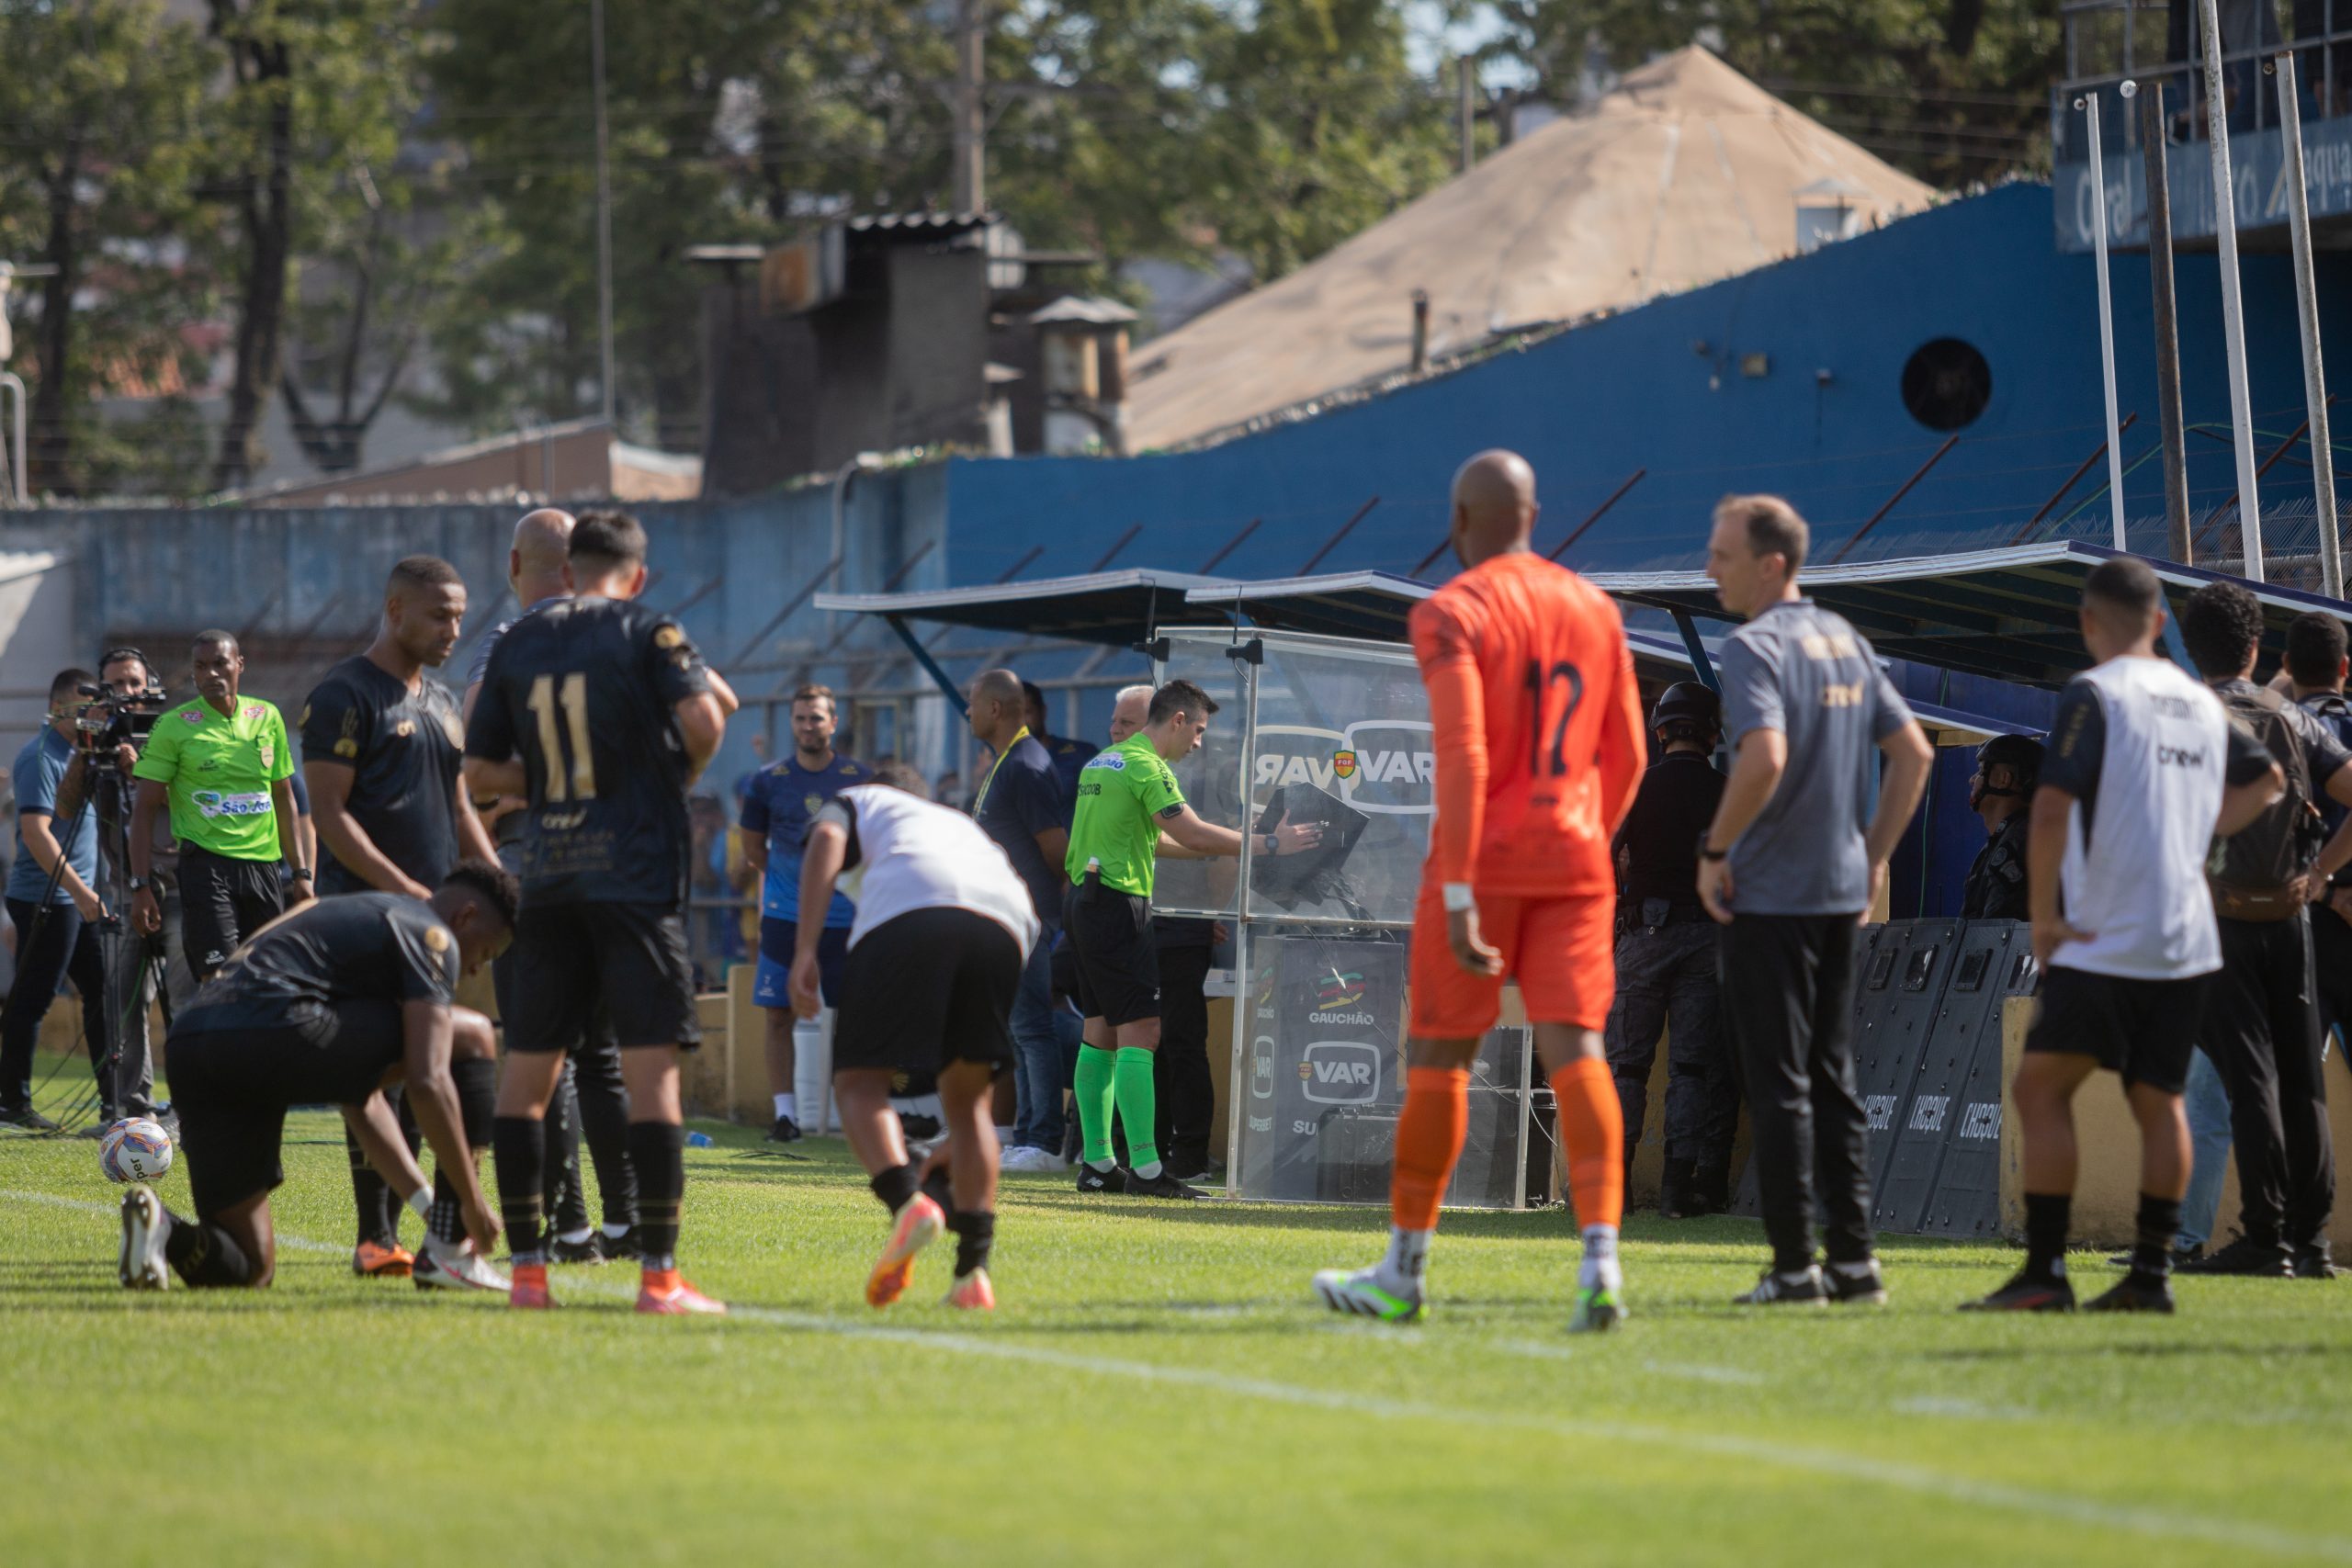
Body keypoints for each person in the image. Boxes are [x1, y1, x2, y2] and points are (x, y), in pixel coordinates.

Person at [1312, 449, 1645, 1331]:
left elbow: (1463, 754)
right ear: (1536, 515)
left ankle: (1404, 1272)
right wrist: (1583, 837)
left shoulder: (1452, 608)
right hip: (1577, 858)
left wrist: (1460, 894)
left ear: (1460, 520)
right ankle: (1601, 1266)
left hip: (1482, 861)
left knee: (1440, 1060)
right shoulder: (1597, 609)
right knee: (1578, 1054)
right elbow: (1631, 756)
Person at [1963, 559, 2284, 1314]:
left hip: (2106, 928)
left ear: (2089, 621)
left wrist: (2044, 917)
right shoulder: (2200, 702)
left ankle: (2044, 1273)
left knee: (2041, 1087)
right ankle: (2150, 1274)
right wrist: (2201, 831)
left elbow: (2047, 811)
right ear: (2161, 621)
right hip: (2186, 933)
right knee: (2159, 1100)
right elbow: (2267, 780)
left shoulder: (2097, 692)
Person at [465, 508, 734, 1314]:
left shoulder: (514, 642)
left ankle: (528, 1274)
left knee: (528, 1075)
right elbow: (707, 717)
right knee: (650, 1079)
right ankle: (658, 1275)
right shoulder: (649, 631)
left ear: (570, 572)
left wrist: (549, 785)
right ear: (637, 576)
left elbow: (478, 768)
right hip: (634, 877)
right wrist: (661, 780)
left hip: (545, 877)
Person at [1697, 493, 1934, 1308]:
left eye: (1721, 554)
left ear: (1771, 565)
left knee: (1778, 1079)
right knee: (1833, 1075)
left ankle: (1794, 1265)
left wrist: (1716, 847)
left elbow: (1762, 756)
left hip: (1769, 893)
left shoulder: (1753, 645)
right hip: (1837, 892)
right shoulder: (1845, 639)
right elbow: (1913, 752)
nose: (1708, 567)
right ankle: (1856, 1262)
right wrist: (1872, 858)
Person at [117, 862, 515, 1292]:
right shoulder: (431, 935)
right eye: (487, 954)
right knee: (473, 1036)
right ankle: (452, 1250)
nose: (476, 970)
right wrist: (470, 1203)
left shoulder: (361, 925)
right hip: (269, 1024)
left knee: (250, 1266)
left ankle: (164, 1229)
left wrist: (427, 1204)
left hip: (193, 1043)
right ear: (466, 916)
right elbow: (428, 1080)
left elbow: (361, 1101)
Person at [303, 555, 503, 1287]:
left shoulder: (445, 701)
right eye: (438, 615)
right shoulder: (344, 694)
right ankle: (374, 1237)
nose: (454, 628)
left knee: (430, 1068)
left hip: (433, 922)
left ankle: (435, 1242)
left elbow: (458, 807)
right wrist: (404, 888)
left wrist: (495, 883)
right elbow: (328, 814)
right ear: (394, 610)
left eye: (458, 614)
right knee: (376, 1071)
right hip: (363, 917)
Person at [791, 761, 1039, 1311]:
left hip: (913, 904)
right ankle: (972, 1274)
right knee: (969, 1103)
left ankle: (908, 1202)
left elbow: (827, 835)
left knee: (858, 1082)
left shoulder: (861, 799)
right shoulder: (957, 824)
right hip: (1009, 924)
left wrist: (805, 950)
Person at [463, 506, 639, 1266]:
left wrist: (522, 790)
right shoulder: (622, 638)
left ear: (515, 566)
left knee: (543, 1048)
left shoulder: (509, 643)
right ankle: (629, 1224)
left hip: (532, 860)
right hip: (615, 863)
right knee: (601, 1053)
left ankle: (570, 1230)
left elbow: (471, 762)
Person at [1064, 677, 1318, 1199]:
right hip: (1117, 903)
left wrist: (1219, 850)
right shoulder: (1146, 765)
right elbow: (1191, 830)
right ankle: (1149, 1170)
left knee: (1100, 1032)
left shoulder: (1106, 761)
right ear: (1177, 720)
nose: (1199, 742)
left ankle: (1097, 1163)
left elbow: (1155, 838)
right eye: (1198, 730)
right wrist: (1270, 843)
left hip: (1084, 902)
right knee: (1144, 1031)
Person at [2174, 581, 2352, 1280]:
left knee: (2249, 1079)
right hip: (2292, 916)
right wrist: (2321, 877)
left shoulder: (2187, 714)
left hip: (2220, 918)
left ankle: (2264, 1235)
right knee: (2302, 1077)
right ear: (2255, 648)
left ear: (2190, 650)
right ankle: (2311, 1241)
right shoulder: (2293, 718)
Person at [1605, 680, 1736, 1219]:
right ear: (1711, 734)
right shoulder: (1729, 791)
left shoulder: (1636, 786)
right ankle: (1678, 1192)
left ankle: (1616, 1190)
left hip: (1643, 934)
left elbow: (1603, 855)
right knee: (1690, 1068)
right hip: (1708, 937)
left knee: (1627, 1067)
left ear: (1660, 731)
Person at [128, 631, 309, 981]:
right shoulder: (173, 726)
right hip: (207, 868)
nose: (210, 673)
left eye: (219, 663)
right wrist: (140, 884)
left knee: (268, 977)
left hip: (264, 868)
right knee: (219, 980)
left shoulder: (267, 716)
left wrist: (301, 874)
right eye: (200, 666)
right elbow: (145, 808)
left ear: (239, 664)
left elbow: (283, 796)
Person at [738, 684, 866, 1144]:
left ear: (833, 722)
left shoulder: (859, 778)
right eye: (800, 719)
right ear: (791, 724)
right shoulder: (767, 780)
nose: (808, 726)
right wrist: (797, 888)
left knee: (855, 1018)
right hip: (783, 918)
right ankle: (786, 1116)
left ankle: (858, 1116)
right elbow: (754, 848)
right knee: (778, 1015)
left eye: (816, 718)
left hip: (847, 919)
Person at [965, 668, 1069, 1172]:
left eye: (971, 703)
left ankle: (1044, 1142)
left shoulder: (1025, 765)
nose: (966, 712)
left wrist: (1048, 911)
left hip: (1027, 917)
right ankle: (1027, 1135)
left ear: (995, 709)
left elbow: (1056, 850)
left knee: (1032, 1030)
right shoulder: (1008, 761)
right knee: (1018, 1031)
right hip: (1006, 916)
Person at [0, 668, 114, 1130]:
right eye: (87, 708)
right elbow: (35, 834)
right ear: (61, 706)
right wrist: (82, 891)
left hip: (74, 898)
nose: (95, 718)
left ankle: (114, 1101)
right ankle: (12, 1103)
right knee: (34, 997)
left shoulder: (81, 753)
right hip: (48, 898)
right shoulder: (42, 756)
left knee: (102, 991)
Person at [2277, 612, 2352, 1061]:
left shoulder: (2278, 735)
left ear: (2287, 662)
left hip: (2302, 922)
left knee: (2296, 1085)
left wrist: (2327, 895)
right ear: (2344, 667)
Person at [1960, 734, 2043, 921]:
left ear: (2004, 779)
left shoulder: (2019, 840)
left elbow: (1995, 933)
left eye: (1981, 771)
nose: (1972, 779)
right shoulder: (2008, 838)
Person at [1023, 681, 1094, 811]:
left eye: (1027, 712)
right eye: (1015, 716)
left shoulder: (1080, 754)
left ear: (1043, 711)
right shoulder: (1003, 765)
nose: (1022, 722)